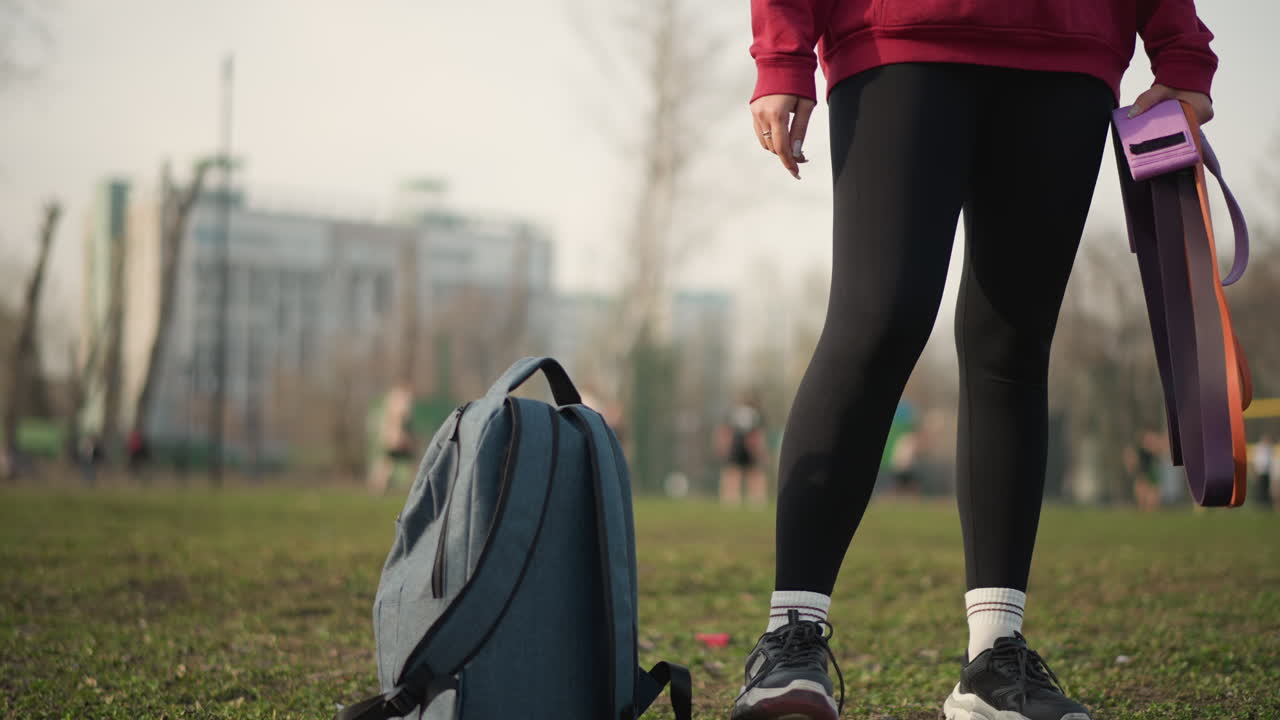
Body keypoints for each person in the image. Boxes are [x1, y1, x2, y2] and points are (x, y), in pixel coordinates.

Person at [737, 3, 1219, 720]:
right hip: (898, 33)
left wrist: (1180, 50)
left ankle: (994, 658)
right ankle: (790, 640)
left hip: (1072, 49)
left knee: (1013, 346)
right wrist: (782, 54)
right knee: (879, 320)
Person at [715, 399, 769, 507]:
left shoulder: (738, 413)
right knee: (741, 472)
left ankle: (731, 500)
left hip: (739, 442)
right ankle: (755, 501)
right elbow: (757, 434)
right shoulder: (753, 414)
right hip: (745, 442)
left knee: (740, 472)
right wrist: (760, 450)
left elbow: (724, 431)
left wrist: (722, 445)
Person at [1254, 434, 1275, 510]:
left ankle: (1265, 503)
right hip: (1261, 471)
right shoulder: (1259, 447)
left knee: (1266, 488)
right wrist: (1256, 471)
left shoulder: (1269, 447)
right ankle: (1260, 503)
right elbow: (1258, 460)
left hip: (1267, 471)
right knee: (1260, 488)